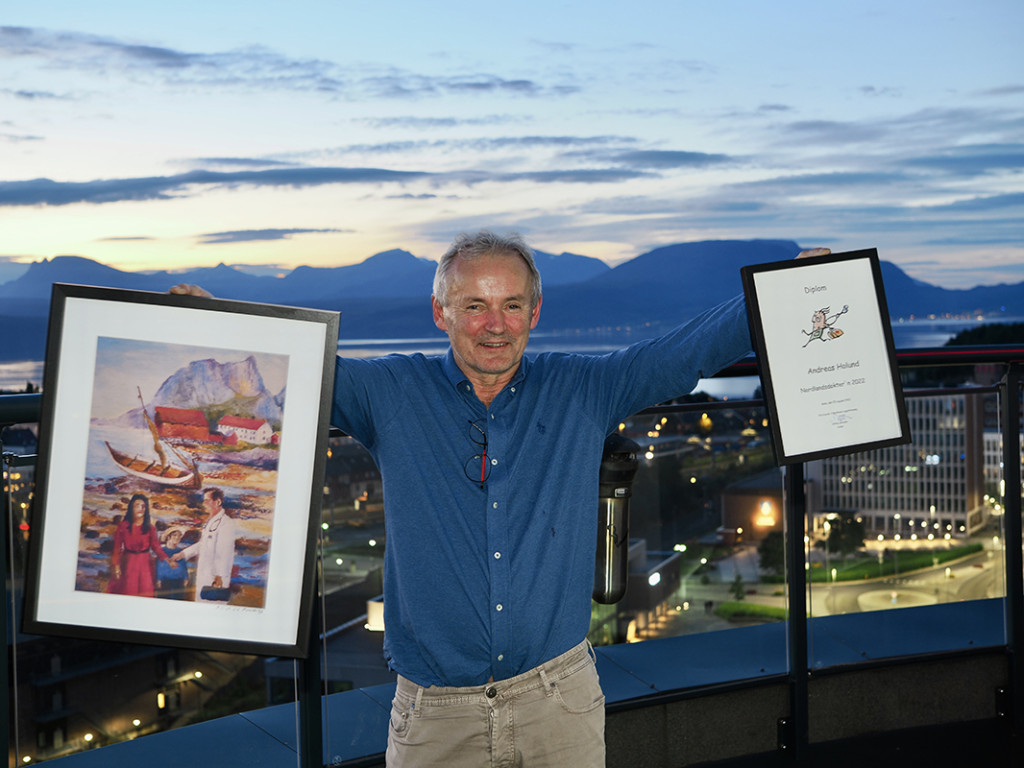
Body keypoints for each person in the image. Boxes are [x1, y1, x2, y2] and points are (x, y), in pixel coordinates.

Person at [172, 231, 828, 767]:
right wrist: (216, 317)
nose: (495, 326)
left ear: (535, 313)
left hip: (559, 703)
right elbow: (291, 362)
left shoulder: (584, 388)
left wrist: (780, 292)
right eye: (474, 306)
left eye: (512, 305)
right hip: (436, 719)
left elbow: (684, 353)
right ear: (441, 313)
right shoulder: (389, 393)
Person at [172, 487, 237, 603]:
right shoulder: (211, 521)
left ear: (217, 502)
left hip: (216, 577)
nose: (204, 504)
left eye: (207, 500)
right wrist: (183, 554)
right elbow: (203, 544)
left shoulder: (226, 524)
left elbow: (225, 552)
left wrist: (219, 575)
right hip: (205, 572)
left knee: (213, 603)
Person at [107, 492, 174, 597]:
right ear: (131, 508)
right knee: (128, 590)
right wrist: (116, 565)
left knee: (145, 591)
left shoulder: (150, 528)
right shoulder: (123, 526)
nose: (140, 509)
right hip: (128, 562)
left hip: (145, 564)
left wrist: (167, 559)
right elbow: (117, 548)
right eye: (137, 505)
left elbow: (156, 547)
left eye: (143, 506)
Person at [155, 527, 189, 600]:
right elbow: (159, 567)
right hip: (165, 582)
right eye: (174, 535)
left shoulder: (180, 551)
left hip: (178, 582)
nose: (177, 537)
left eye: (179, 535)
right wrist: (158, 579)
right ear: (168, 537)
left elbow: (183, 566)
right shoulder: (162, 551)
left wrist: (185, 578)